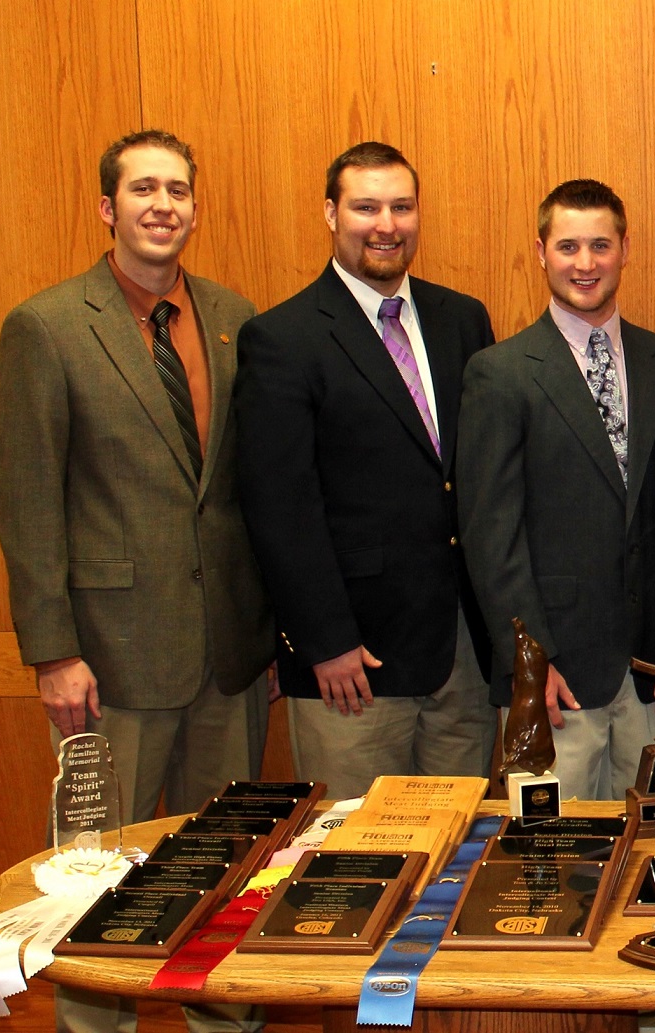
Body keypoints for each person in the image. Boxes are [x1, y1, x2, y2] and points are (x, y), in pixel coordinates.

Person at [0, 128, 270, 1033]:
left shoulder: (236, 319)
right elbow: (28, 500)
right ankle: (93, 1024)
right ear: (108, 207)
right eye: (144, 189)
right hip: (108, 663)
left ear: (196, 205)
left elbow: (247, 494)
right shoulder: (47, 326)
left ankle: (221, 1019)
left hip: (229, 657)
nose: (164, 205)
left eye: (179, 189)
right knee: (95, 875)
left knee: (227, 872)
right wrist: (53, 653)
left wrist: (270, 633)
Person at [235, 142, 498, 799]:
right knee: (355, 858)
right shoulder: (283, 338)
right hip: (351, 662)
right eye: (366, 206)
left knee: (457, 852)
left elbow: (478, 482)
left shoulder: (462, 320)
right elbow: (278, 505)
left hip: (460, 655)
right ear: (330, 213)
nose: (386, 223)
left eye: (401, 207)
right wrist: (325, 640)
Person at [457, 180, 655, 800]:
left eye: (600, 244)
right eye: (568, 246)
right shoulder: (500, 372)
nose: (585, 263)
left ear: (625, 249)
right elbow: (491, 537)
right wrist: (531, 662)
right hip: (556, 678)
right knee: (555, 858)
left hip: (652, 672)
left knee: (652, 843)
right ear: (540, 252)